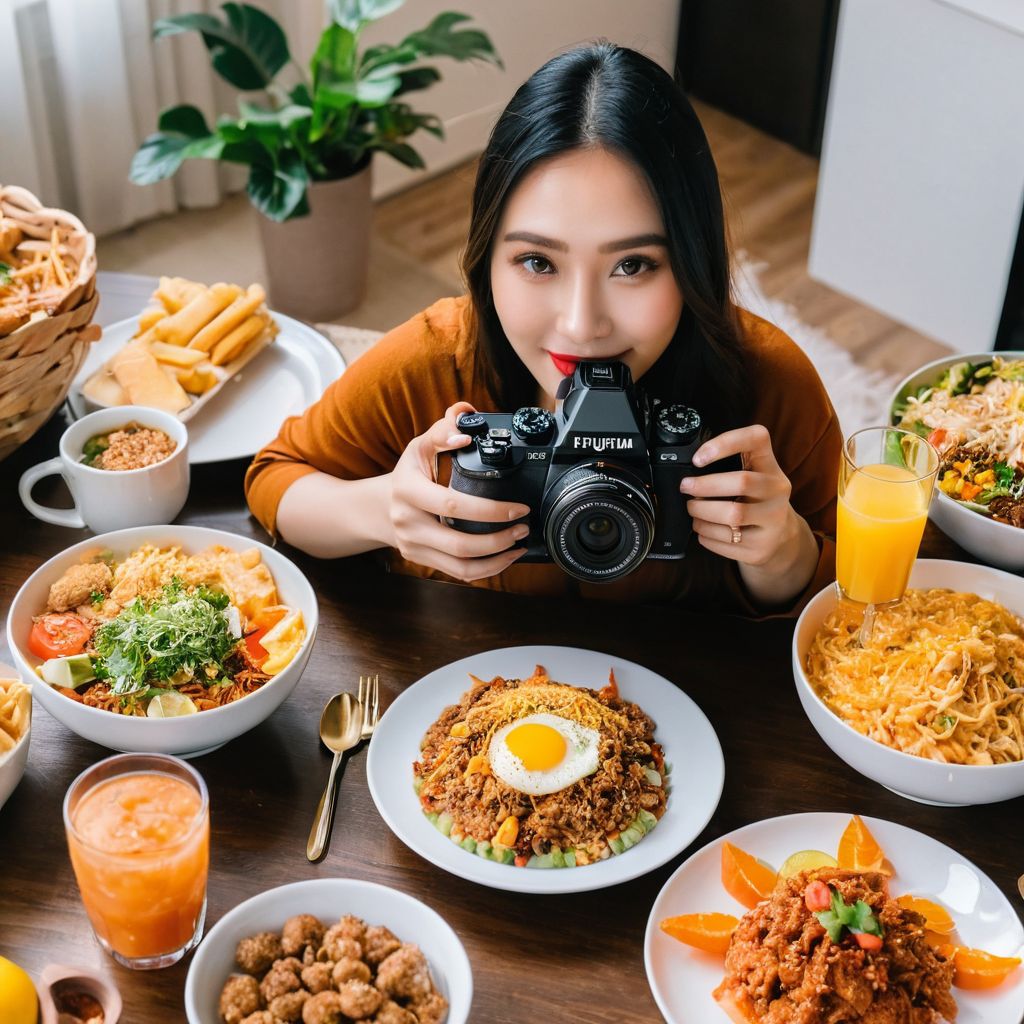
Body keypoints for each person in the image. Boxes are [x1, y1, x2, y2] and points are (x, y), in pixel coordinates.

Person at [245, 43, 842, 616]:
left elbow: (873, 601)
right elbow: (276, 479)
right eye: (538, 262)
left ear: (693, 263)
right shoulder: (432, 362)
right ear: (486, 258)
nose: (582, 325)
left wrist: (787, 551)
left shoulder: (770, 385)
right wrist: (379, 510)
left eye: (633, 265)